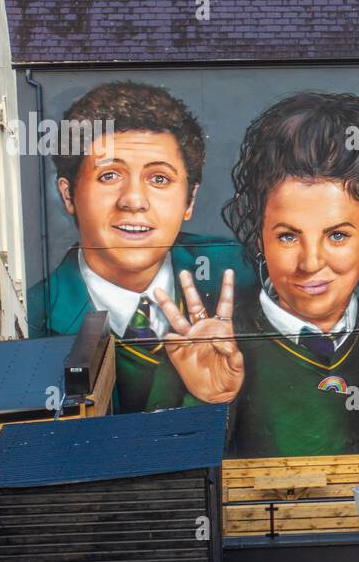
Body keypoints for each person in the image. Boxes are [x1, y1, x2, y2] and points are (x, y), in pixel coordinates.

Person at [167, 92, 359, 456]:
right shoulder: (213, 345)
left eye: (337, 235)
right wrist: (207, 401)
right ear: (260, 238)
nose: (311, 262)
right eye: (287, 236)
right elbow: (177, 496)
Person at [28, 81, 251, 413]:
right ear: (68, 194)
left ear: (190, 200)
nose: (133, 200)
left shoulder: (248, 273)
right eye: (109, 176)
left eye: (159, 179)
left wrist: (214, 397)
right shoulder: (36, 316)